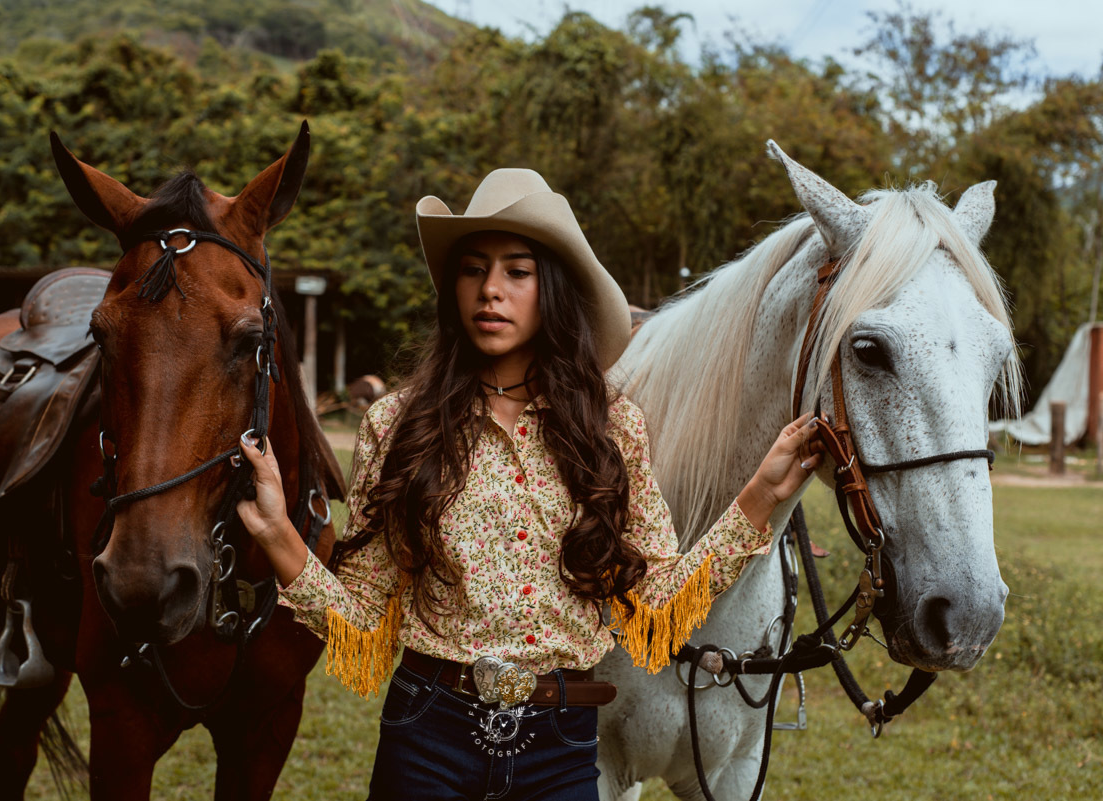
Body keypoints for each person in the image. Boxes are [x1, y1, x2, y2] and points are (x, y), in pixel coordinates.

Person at [236, 169, 823, 800]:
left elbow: (657, 605)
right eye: (473, 270)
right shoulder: (397, 425)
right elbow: (361, 618)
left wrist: (758, 496)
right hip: (426, 732)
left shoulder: (611, 429)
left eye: (518, 271)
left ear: (554, 290)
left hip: (562, 746)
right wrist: (277, 533)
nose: (491, 290)